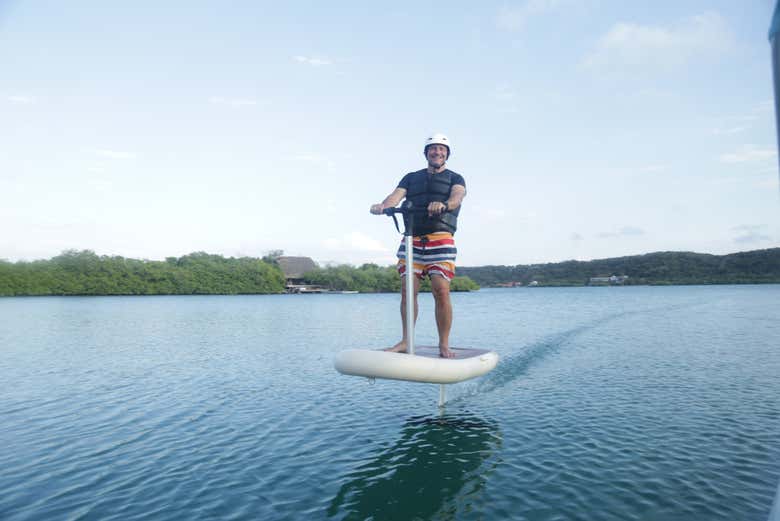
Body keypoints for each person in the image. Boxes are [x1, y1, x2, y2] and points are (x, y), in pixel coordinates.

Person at [370, 133, 467, 358]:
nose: (437, 152)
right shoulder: (411, 178)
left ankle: (444, 344)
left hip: (440, 239)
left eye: (442, 150)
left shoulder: (456, 178)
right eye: (433, 149)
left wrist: (444, 204)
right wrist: (383, 206)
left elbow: (457, 198)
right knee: (407, 291)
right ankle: (406, 340)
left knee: (440, 291)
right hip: (411, 240)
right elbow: (396, 196)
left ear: (447, 155)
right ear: (426, 153)